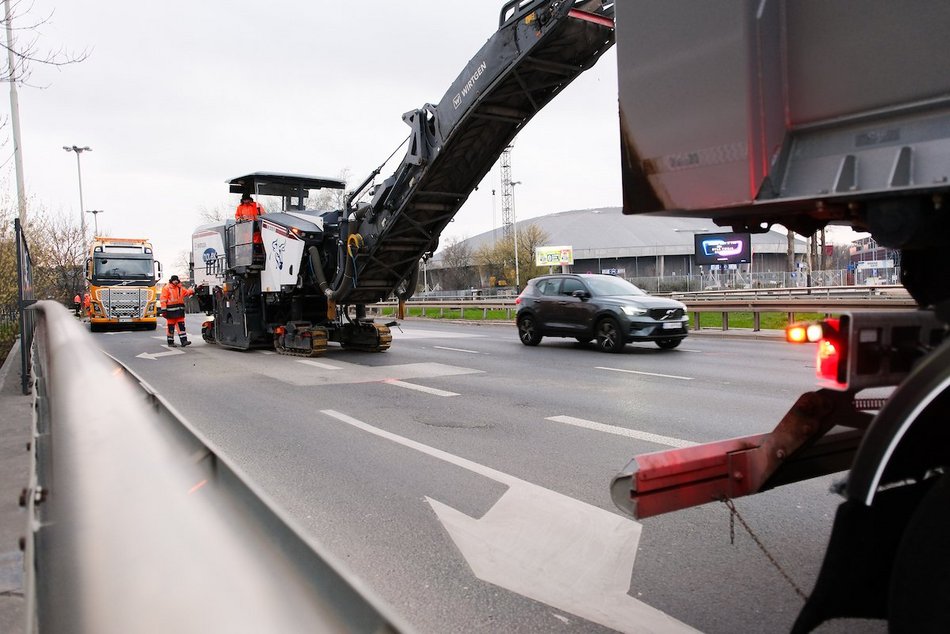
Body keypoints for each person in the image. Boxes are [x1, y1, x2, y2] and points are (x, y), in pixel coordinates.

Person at [159, 275, 195, 347]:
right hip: (170, 312)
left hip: (179, 311)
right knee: (171, 328)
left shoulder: (180, 288)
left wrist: (193, 290)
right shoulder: (167, 288)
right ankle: (170, 342)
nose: (175, 281)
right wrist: (164, 310)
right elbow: (163, 300)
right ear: (171, 280)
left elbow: (187, 292)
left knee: (181, 326)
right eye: (174, 280)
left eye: (176, 280)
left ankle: (184, 341)